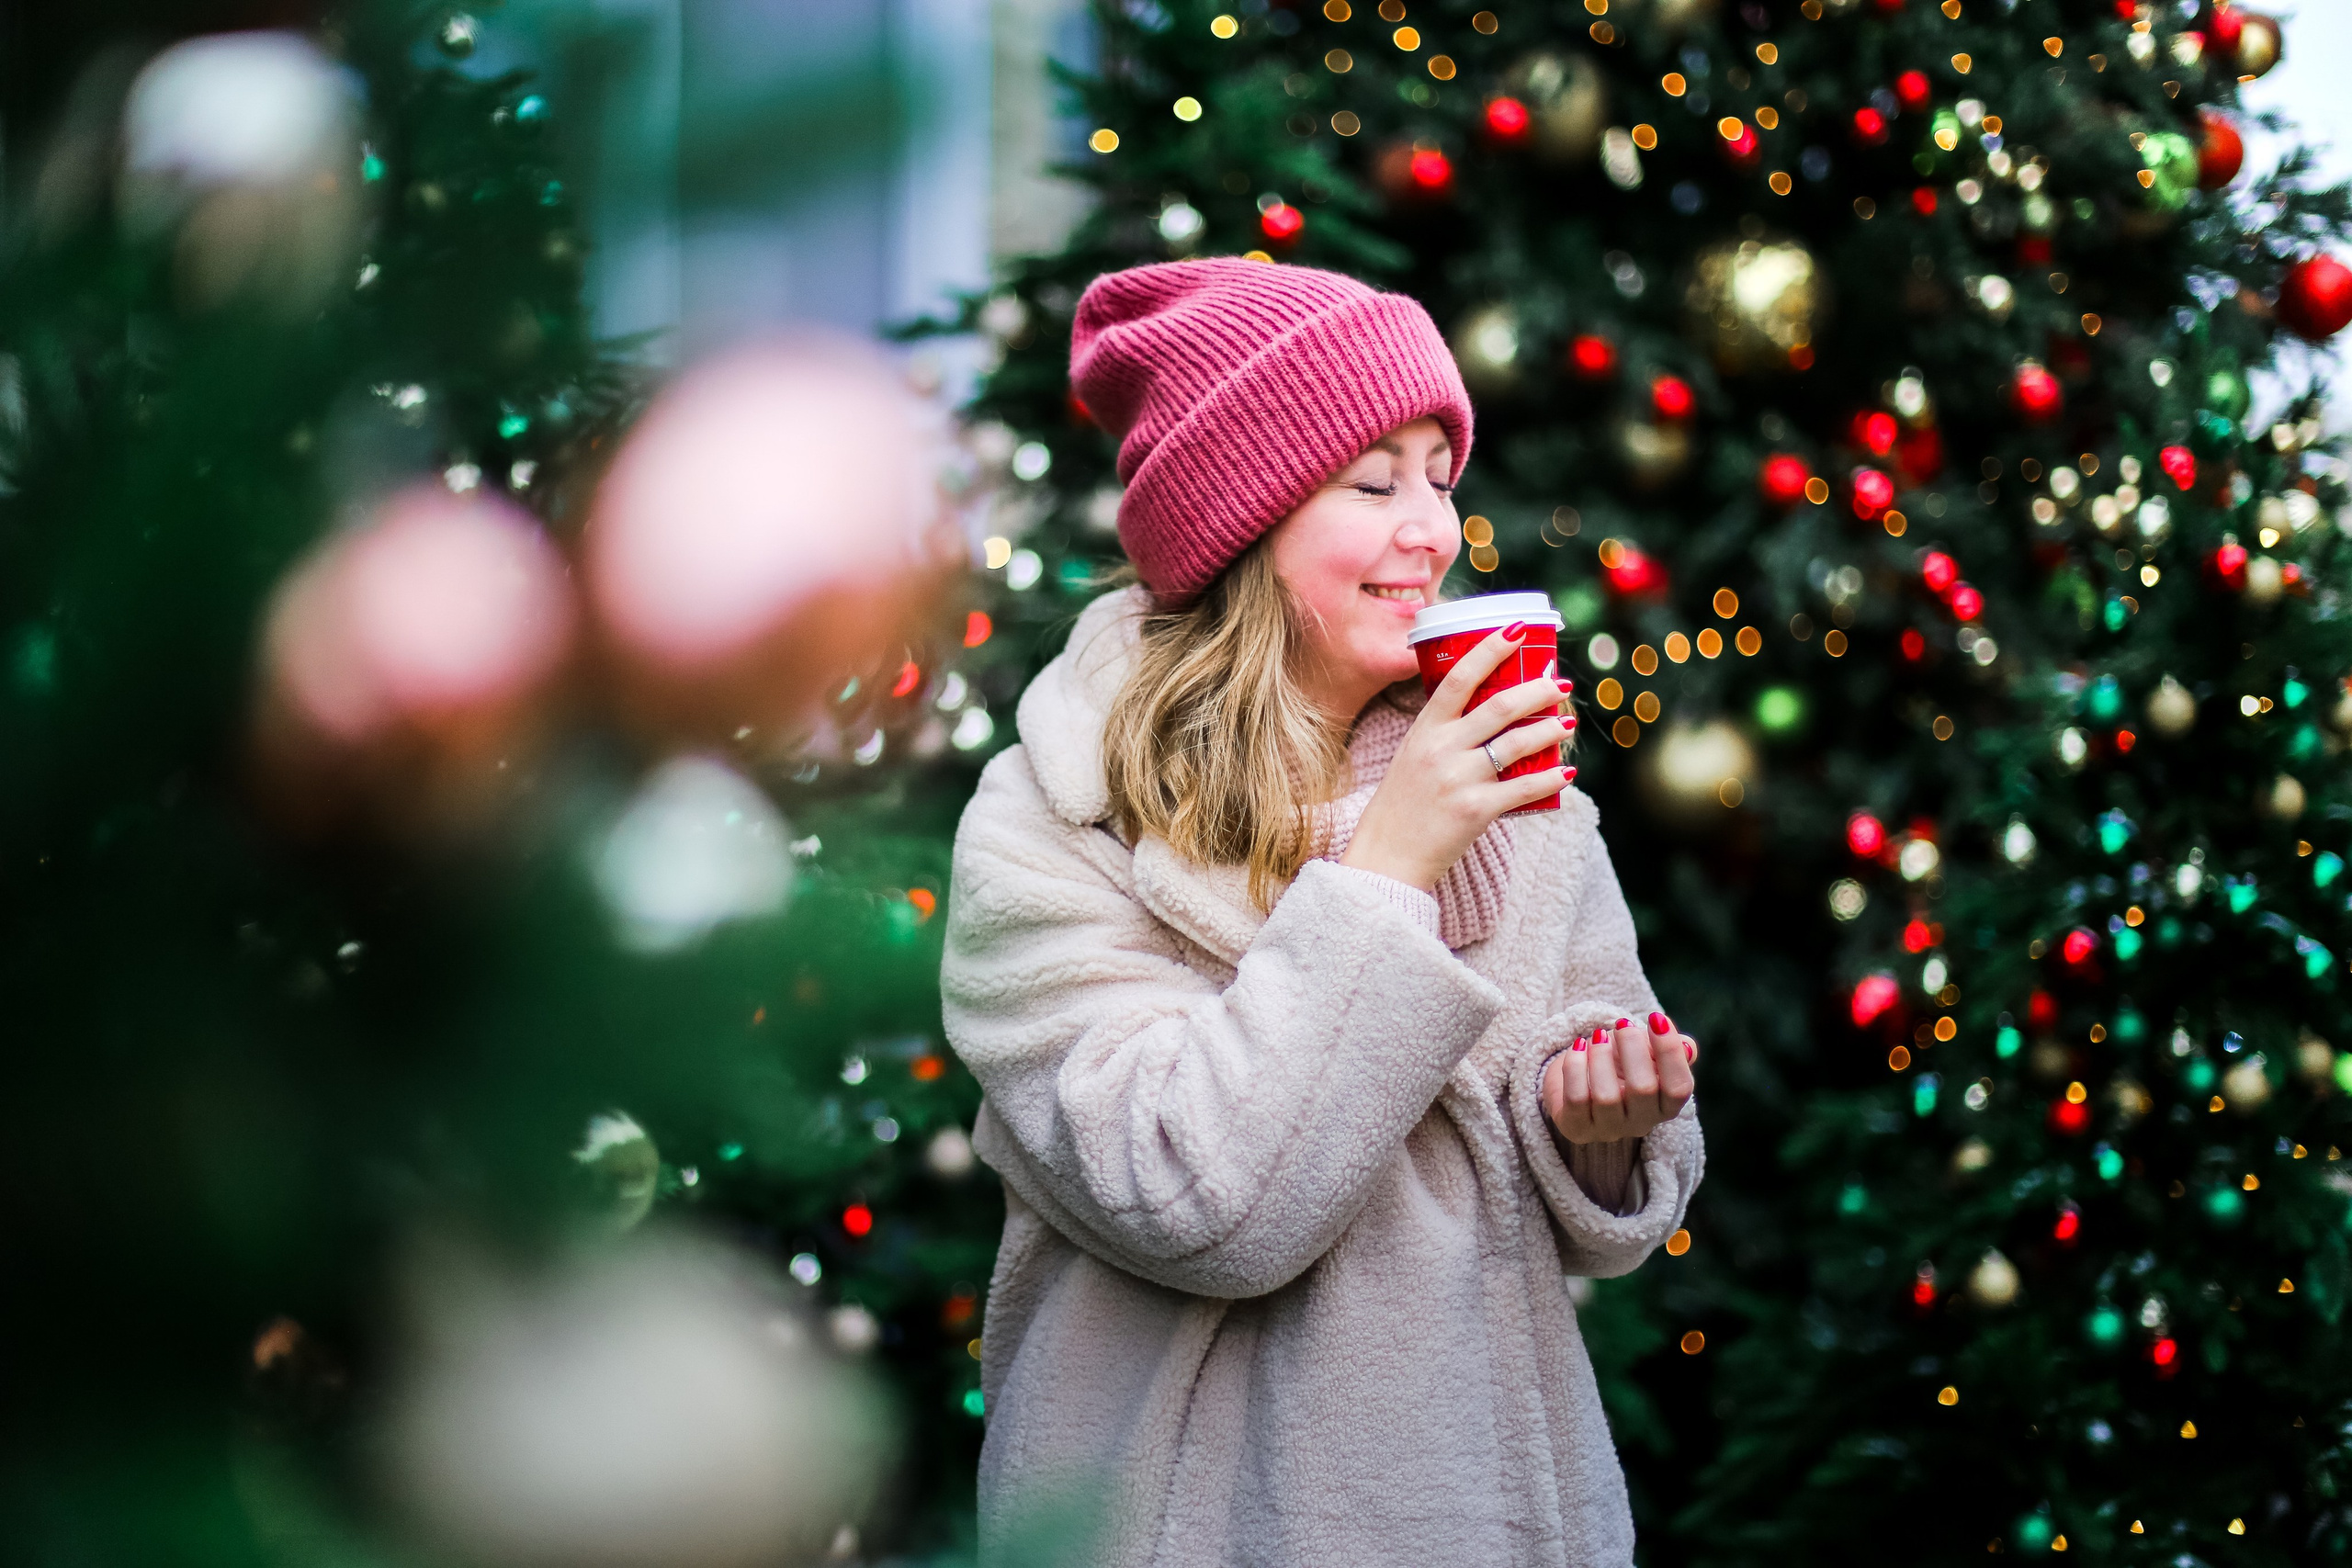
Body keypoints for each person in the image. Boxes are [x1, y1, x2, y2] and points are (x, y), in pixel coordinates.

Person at [940, 257, 1703, 1567]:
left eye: (1440, 478)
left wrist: (1605, 1132)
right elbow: (1193, 1201)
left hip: (1490, 1515)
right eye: (1374, 482)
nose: (1435, 531)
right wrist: (1392, 862)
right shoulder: (1055, 818)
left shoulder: (1519, 796)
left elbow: (1596, 1182)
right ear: (1243, 521)